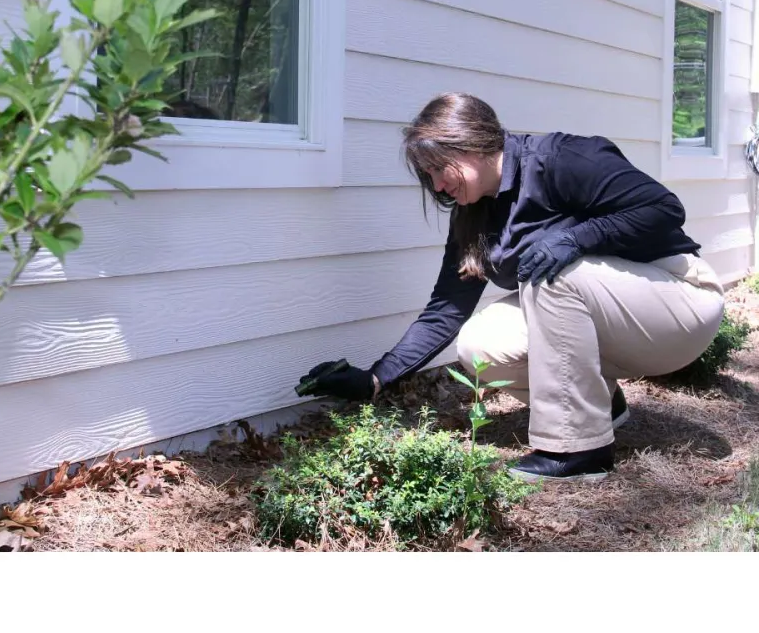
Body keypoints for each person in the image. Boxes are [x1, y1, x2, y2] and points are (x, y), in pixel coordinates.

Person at [296, 92, 726, 482]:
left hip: (680, 298)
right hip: (618, 316)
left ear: (471, 144)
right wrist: (375, 378)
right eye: (428, 177)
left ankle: (580, 453)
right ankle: (602, 407)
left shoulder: (562, 159)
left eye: (439, 170)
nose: (437, 186)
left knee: (552, 272)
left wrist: (576, 238)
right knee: (479, 346)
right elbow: (446, 307)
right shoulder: (473, 215)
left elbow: (664, 209)